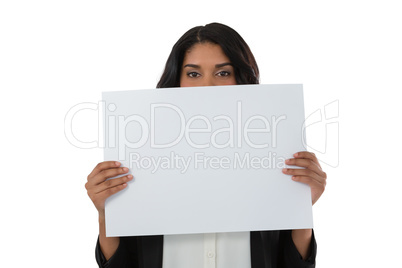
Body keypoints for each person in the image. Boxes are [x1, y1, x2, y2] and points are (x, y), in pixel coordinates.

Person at [85, 22, 327, 268]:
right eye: (193, 74)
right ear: (177, 80)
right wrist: (107, 214)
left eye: (223, 73)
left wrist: (300, 206)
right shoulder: (142, 155)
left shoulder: (273, 154)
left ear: (241, 78)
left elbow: (293, 263)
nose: (207, 86)